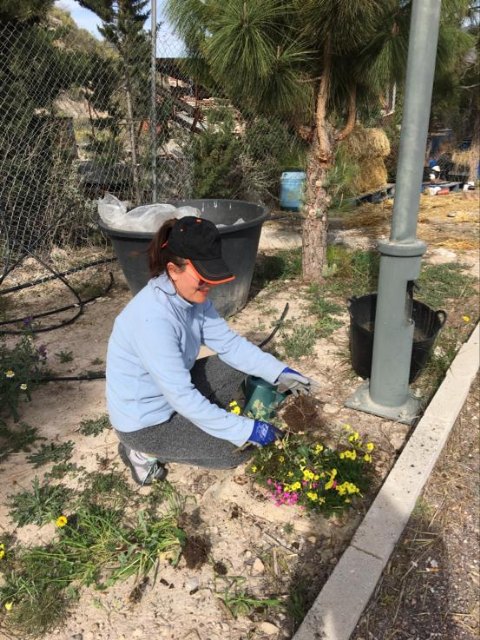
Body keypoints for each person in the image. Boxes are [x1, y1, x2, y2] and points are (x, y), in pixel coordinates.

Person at [106, 216, 314, 486]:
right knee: (236, 450)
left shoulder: (192, 297)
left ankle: (202, 427)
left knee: (236, 366)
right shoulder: (152, 320)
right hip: (147, 424)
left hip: (171, 395)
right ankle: (140, 451)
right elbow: (182, 396)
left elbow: (230, 345)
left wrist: (280, 372)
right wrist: (246, 429)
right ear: (173, 270)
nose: (209, 285)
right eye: (202, 278)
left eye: (211, 275)